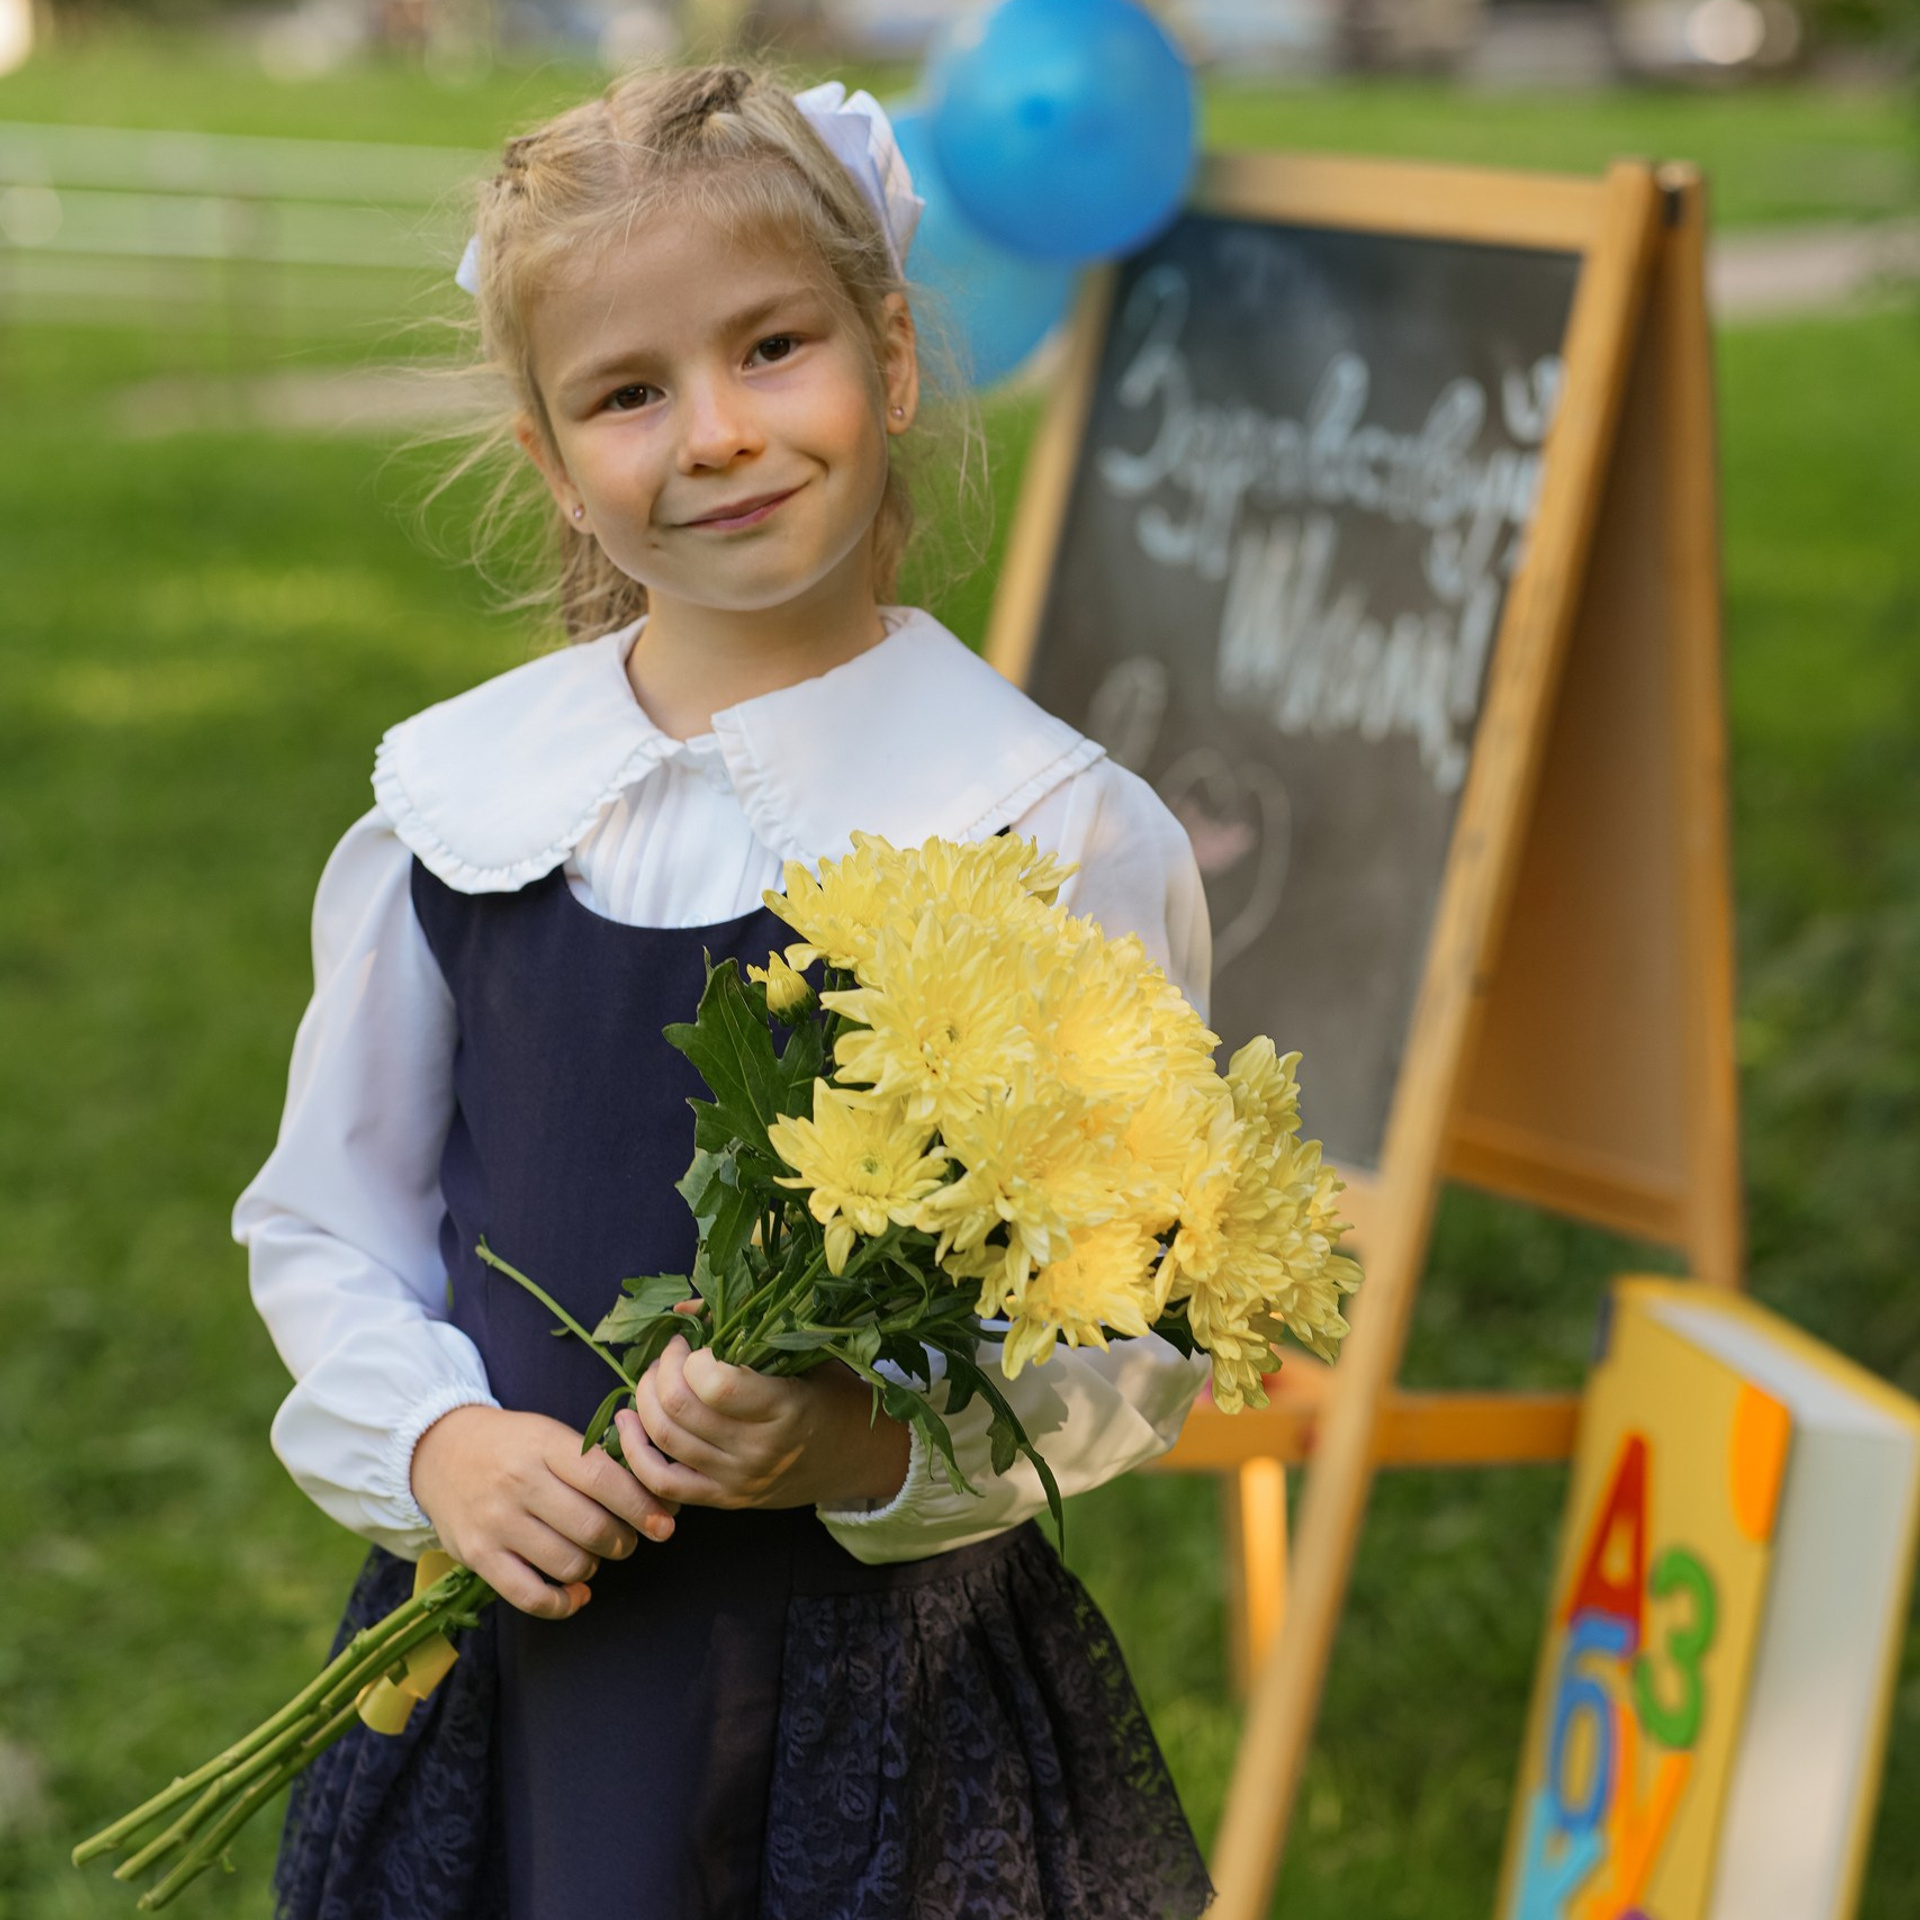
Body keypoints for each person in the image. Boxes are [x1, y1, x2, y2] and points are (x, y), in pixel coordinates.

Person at [236, 62, 1216, 1920]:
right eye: (629, 392)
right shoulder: (461, 813)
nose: (716, 433)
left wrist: (863, 1437)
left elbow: (1132, 1330)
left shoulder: (1044, 829)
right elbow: (327, 1223)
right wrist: (439, 1444)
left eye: (773, 348)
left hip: (863, 1721)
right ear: (550, 456)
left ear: (893, 357)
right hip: (521, 1672)